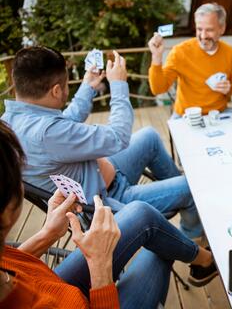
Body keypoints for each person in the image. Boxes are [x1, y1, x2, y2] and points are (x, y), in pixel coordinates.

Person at [0, 120, 217, 308]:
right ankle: (202, 257)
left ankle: (203, 260)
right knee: (163, 245)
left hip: (43, 280)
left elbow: (10, 263)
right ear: (8, 212)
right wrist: (100, 269)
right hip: (78, 297)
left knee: (144, 215)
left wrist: (46, 235)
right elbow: (115, 137)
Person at [1, 46, 202, 239]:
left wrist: (88, 85)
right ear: (55, 91)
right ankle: (192, 236)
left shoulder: (10, 122)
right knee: (194, 186)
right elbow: (118, 137)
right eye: (65, 86)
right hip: (108, 202)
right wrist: (119, 86)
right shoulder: (49, 132)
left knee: (149, 136)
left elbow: (65, 121)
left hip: (102, 176)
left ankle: (178, 197)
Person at [147, 2, 232, 137]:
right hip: (186, 116)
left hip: (220, 113)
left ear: (222, 28)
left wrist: (228, 88)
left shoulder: (229, 53)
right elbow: (158, 89)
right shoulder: (180, 52)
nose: (203, 36)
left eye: (209, 30)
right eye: (199, 29)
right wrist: (156, 57)